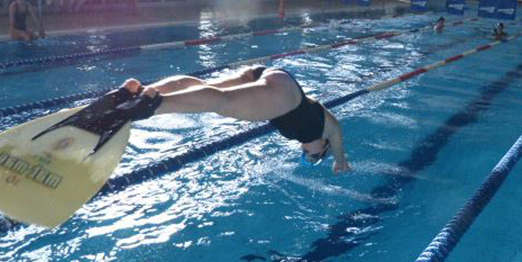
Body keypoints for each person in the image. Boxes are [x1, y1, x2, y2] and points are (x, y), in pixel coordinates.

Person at [116, 66, 351, 174]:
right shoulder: (326, 127)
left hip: (269, 74)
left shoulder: (312, 122)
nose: (305, 151)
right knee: (222, 102)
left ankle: (140, 92)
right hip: (282, 94)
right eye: (312, 156)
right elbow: (339, 142)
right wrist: (340, 161)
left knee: (205, 88)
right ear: (324, 145)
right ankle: (152, 105)